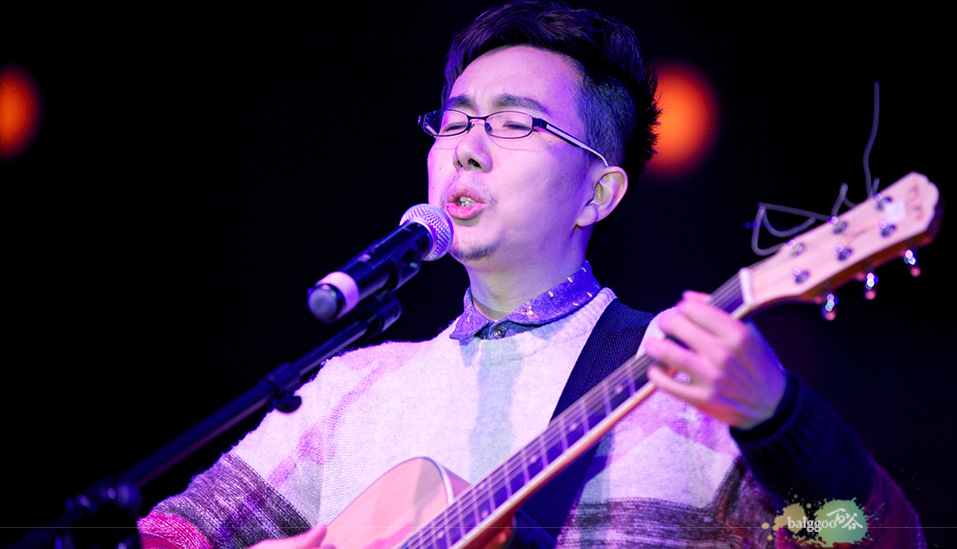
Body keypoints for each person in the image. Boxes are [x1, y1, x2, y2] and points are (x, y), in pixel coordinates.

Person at [138, 2, 925, 547]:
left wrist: (777, 418)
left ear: (597, 193)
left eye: (515, 123)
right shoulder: (350, 389)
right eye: (455, 121)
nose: (468, 148)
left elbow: (869, 538)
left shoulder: (683, 379)